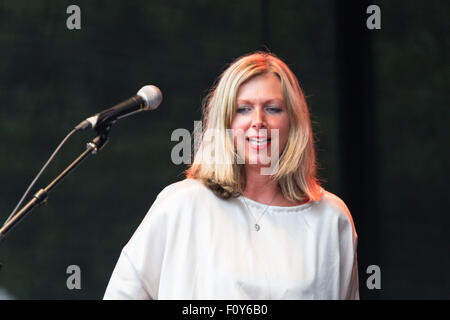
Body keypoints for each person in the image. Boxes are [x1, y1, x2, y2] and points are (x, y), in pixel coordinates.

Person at [103, 52, 359, 300]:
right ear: (225, 123)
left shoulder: (330, 217)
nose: (258, 121)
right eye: (244, 109)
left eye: (272, 108)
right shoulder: (183, 204)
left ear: (294, 123)